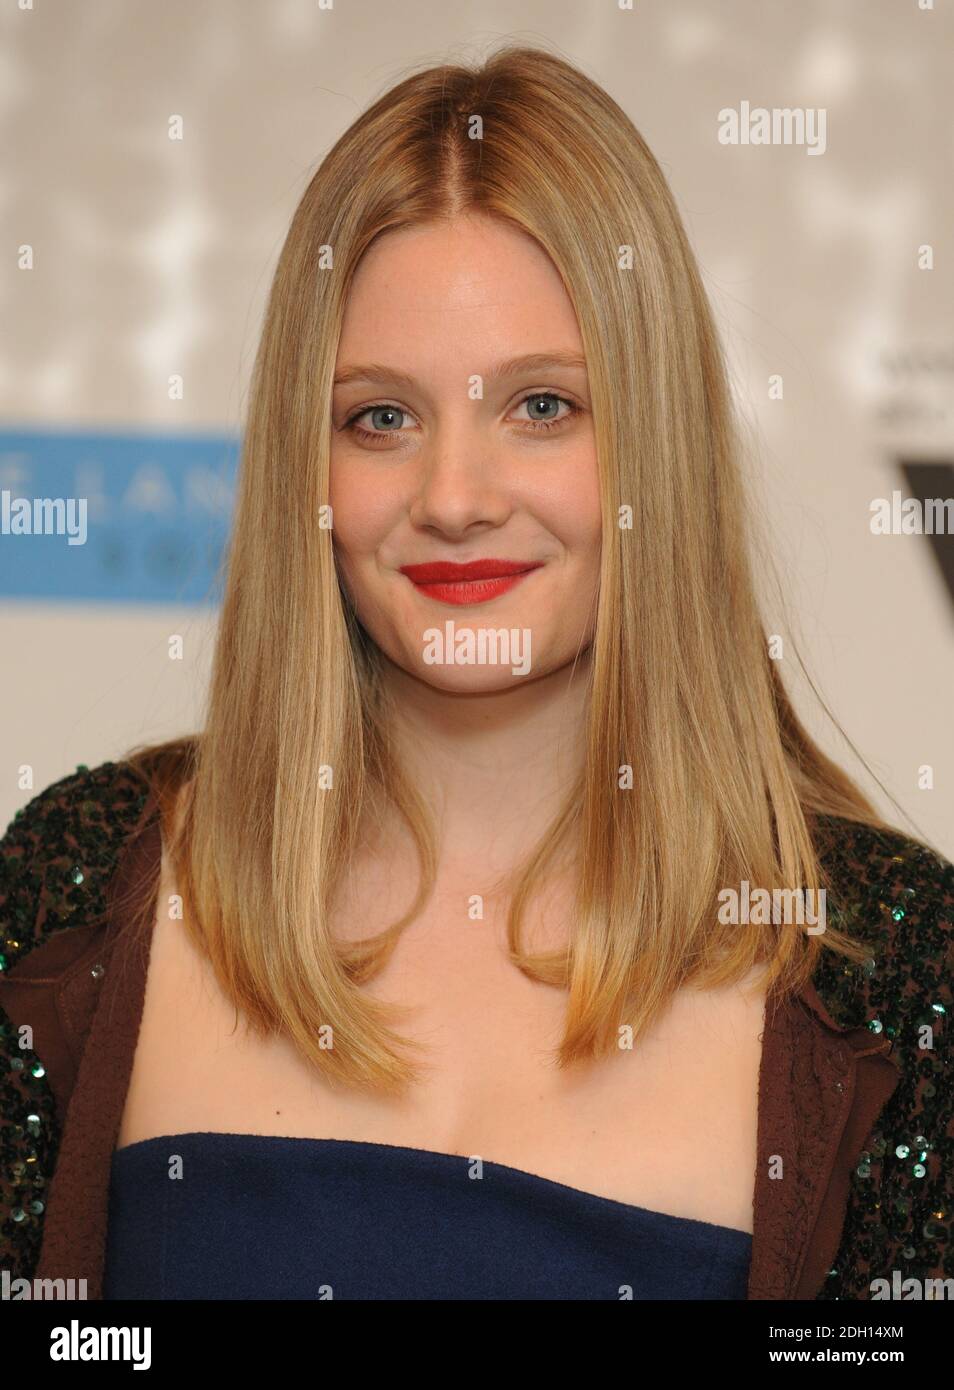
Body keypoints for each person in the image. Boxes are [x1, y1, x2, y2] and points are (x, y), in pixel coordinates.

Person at [1, 43, 951, 1303]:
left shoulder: (888, 969)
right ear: (309, 464)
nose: (454, 498)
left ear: (654, 442)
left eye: (542, 406)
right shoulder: (80, 892)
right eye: (380, 417)